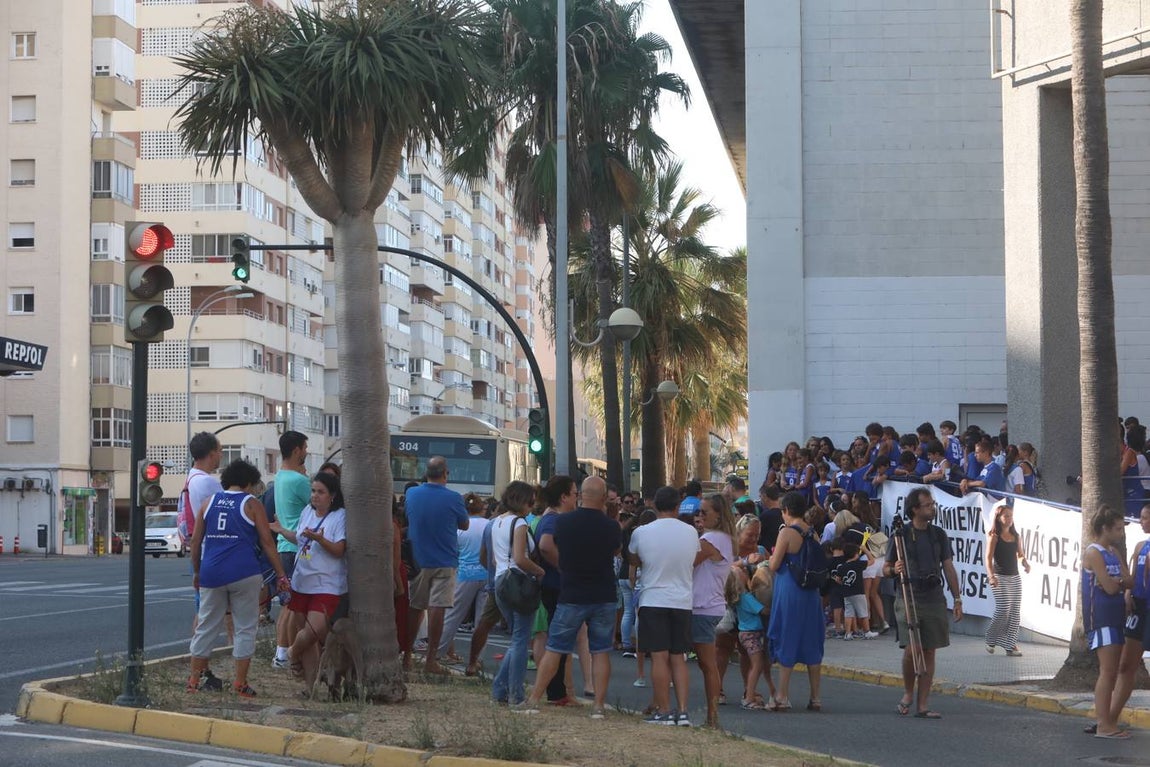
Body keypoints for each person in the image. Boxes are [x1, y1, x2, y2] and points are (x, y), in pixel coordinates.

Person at [515, 477, 621, 719]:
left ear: (581, 495)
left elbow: (547, 545)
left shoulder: (563, 522)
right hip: (603, 594)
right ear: (603, 497)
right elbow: (616, 550)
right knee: (600, 651)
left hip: (572, 592)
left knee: (555, 647)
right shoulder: (611, 526)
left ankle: (534, 699)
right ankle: (598, 706)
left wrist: (563, 565)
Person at [188, 459, 288, 698]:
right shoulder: (251, 504)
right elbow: (266, 542)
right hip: (244, 572)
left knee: (206, 626)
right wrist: (281, 574)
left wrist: (197, 572)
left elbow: (195, 542)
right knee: (245, 627)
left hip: (211, 572)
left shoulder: (208, 503)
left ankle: (193, 680)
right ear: (248, 483)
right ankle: (240, 683)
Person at [885, 487, 963, 719]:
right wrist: (894, 569)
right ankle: (908, 692)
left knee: (929, 650)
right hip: (908, 595)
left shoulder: (938, 534)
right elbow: (885, 568)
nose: (932, 508)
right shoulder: (900, 535)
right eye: (928, 505)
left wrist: (957, 598)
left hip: (933, 596)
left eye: (932, 504)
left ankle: (923, 705)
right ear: (915, 509)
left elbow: (948, 566)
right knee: (913, 648)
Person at [629, 485, 701, 726]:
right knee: (678, 657)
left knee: (659, 657)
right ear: (677, 506)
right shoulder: (691, 532)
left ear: (654, 505)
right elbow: (693, 558)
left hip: (653, 598)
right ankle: (683, 711)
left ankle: (664, 710)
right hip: (682, 600)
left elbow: (634, 558)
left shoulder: (641, 532)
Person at [271, 471, 347, 690]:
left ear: (332, 495)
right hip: (302, 581)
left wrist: (321, 540)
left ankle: (292, 652)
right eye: (313, 491)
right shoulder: (307, 511)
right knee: (308, 637)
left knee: (315, 630)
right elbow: (300, 539)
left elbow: (339, 550)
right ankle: (310, 687)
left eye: (320, 492)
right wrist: (282, 531)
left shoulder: (340, 516)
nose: (315, 496)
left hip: (327, 583)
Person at [404, 455, 469, 675]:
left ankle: (407, 657)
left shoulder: (412, 494)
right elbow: (464, 524)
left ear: (426, 473)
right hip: (445, 559)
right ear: (445, 474)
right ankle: (431, 659)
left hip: (417, 559)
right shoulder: (454, 498)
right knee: (437, 609)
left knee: (415, 608)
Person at [767, 491, 825, 712]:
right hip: (810, 592)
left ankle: (782, 695)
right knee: (812, 640)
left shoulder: (787, 532)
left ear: (786, 510)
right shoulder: (813, 533)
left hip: (790, 590)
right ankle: (815, 697)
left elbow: (774, 565)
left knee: (787, 637)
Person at [490, 481, 546, 706]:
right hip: (518, 582)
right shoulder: (520, 524)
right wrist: (540, 571)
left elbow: (495, 558)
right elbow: (520, 558)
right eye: (531, 502)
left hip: (500, 580)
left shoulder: (497, 522)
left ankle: (500, 690)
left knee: (517, 639)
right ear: (522, 501)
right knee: (520, 641)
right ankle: (516, 694)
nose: (532, 506)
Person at [1082, 505, 1133, 739]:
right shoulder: (1094, 552)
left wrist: (1117, 582)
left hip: (1116, 615)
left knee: (1112, 672)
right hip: (1101, 617)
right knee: (1108, 671)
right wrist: (1117, 582)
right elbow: (1111, 587)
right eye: (1118, 529)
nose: (1121, 533)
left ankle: (1106, 721)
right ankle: (1103, 725)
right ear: (1105, 528)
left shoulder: (1113, 551)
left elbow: (1128, 581)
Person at [180, 431, 225, 688]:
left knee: (203, 613)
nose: (221, 455)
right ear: (210, 453)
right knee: (207, 616)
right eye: (219, 451)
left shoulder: (191, 479)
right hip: (212, 553)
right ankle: (199, 671)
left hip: (200, 553)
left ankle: (200, 668)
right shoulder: (208, 483)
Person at [532, 475, 579, 703]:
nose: (576, 498)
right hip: (556, 586)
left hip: (553, 585)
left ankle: (559, 691)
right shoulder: (552, 519)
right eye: (574, 494)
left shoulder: (550, 518)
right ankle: (556, 692)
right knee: (558, 641)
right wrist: (563, 567)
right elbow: (545, 545)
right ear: (563, 497)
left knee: (560, 640)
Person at [692, 493, 736, 728]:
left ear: (718, 515)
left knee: (707, 663)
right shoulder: (723, 538)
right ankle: (711, 715)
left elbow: (687, 561)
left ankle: (712, 716)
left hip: (703, 606)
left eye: (704, 512)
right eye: (698, 512)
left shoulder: (712, 539)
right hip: (709, 604)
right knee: (705, 663)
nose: (699, 516)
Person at [1107, 504, 1150, 735]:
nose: (1141, 522)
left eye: (1145, 518)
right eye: (1141, 517)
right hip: (1139, 607)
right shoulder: (1141, 546)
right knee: (1125, 665)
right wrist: (1127, 593)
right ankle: (1109, 719)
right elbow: (1133, 577)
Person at [272, 430, 311, 670]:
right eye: (305, 448)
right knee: (292, 606)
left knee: (287, 604)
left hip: (284, 545)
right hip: (297, 546)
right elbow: (321, 503)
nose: (306, 452)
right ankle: (284, 656)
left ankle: (281, 653)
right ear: (297, 450)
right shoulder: (299, 481)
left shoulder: (280, 476)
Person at [438, 492, 490, 664]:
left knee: (452, 616)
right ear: (481, 507)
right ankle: (477, 659)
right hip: (487, 574)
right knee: (482, 621)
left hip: (464, 574)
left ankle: (439, 652)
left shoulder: (459, 527)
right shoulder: (489, 525)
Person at [985, 501, 1030, 656]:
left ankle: (1010, 645)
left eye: (1011, 516)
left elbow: (1020, 554)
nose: (1009, 519)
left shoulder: (1016, 536)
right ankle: (990, 638)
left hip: (1014, 577)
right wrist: (991, 576)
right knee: (1003, 609)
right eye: (1006, 516)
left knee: (1015, 612)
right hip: (999, 577)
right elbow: (988, 558)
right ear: (999, 518)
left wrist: (1025, 563)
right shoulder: (994, 536)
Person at [728, 564, 768, 710]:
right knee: (757, 665)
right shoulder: (747, 598)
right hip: (751, 634)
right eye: (743, 572)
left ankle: (750, 694)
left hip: (746, 633)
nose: (746, 572)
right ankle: (749, 697)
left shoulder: (741, 598)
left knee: (756, 664)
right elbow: (763, 611)